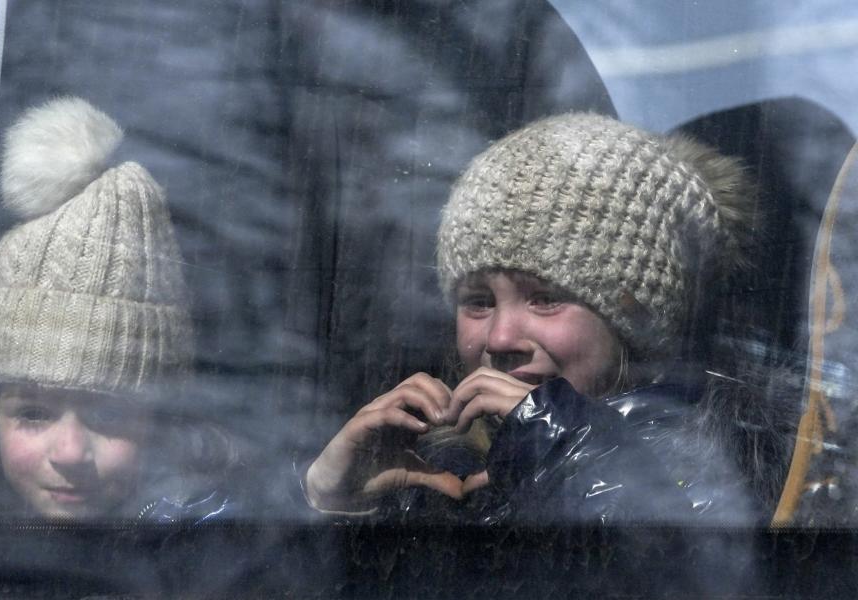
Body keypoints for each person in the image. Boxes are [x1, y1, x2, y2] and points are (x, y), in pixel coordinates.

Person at [303, 112, 795, 525]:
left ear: (639, 317)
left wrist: (563, 442)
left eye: (544, 298)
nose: (499, 338)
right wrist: (331, 500)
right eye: (477, 301)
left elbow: (675, 571)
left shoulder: (727, 466)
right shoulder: (442, 469)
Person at [0, 97, 235, 522]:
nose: (70, 454)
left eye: (110, 413)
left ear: (160, 421)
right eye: (32, 413)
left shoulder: (211, 531)